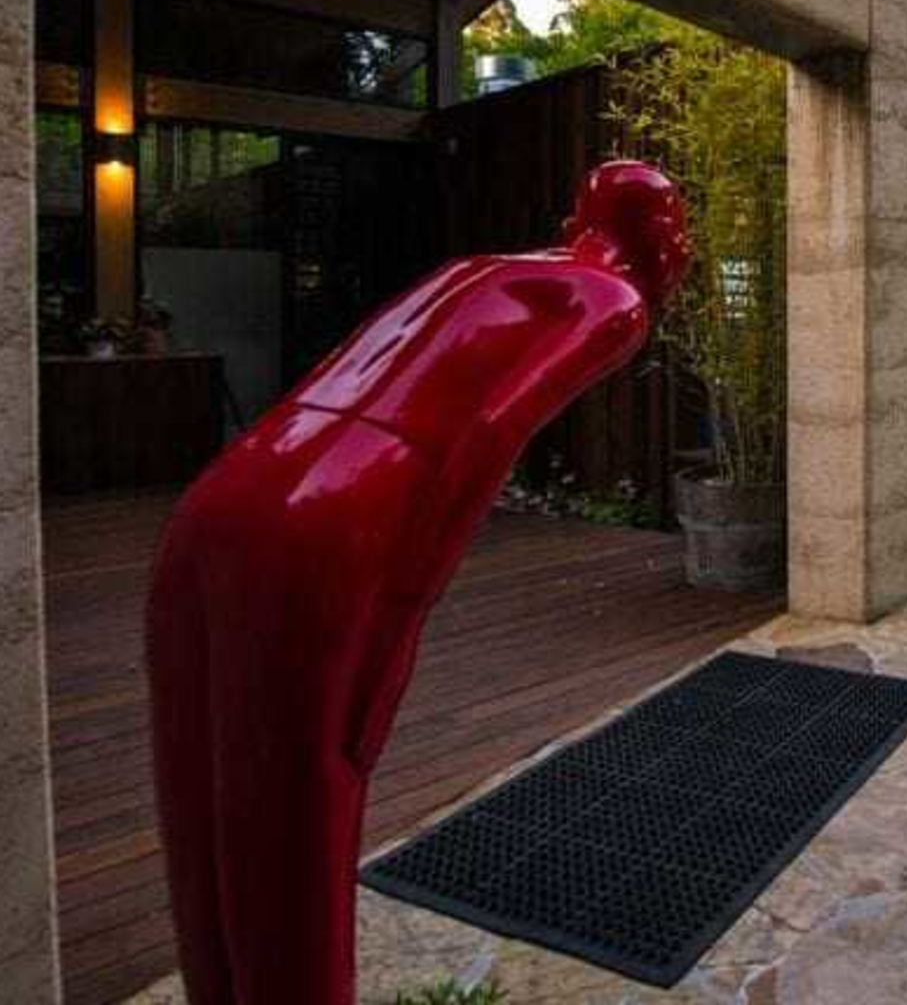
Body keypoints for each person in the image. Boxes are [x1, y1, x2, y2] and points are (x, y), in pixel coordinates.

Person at [146, 161, 690, 1005]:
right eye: (680, 229)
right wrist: (400, 614)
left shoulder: (478, 269)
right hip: (334, 514)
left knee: (199, 797)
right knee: (297, 819)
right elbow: (487, 433)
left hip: (232, 485)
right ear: (658, 238)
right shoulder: (609, 299)